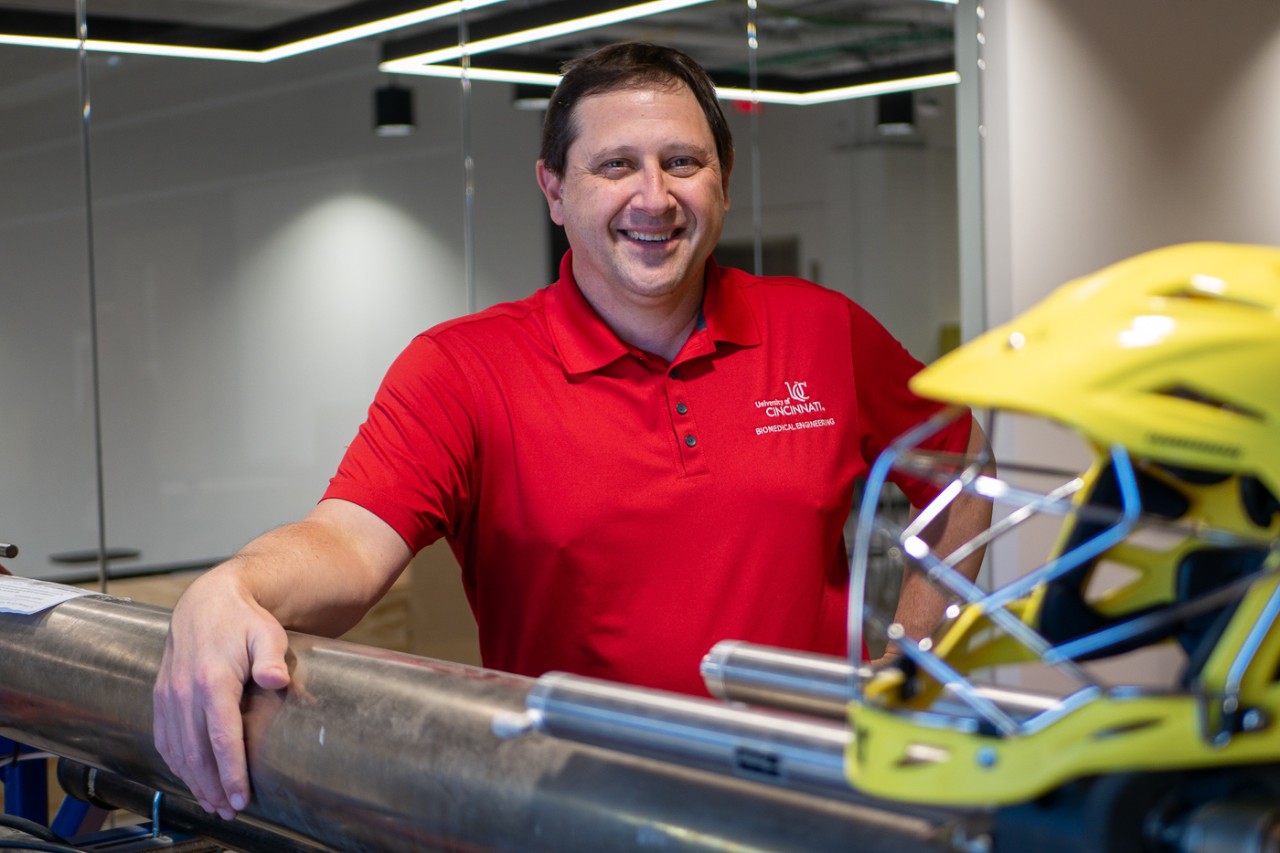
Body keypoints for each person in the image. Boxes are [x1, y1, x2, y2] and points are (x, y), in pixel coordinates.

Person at [153, 41, 992, 820]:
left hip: (810, 799)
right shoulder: (463, 368)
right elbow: (345, 544)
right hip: (571, 810)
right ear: (555, 189)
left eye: (683, 163)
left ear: (723, 183)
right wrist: (237, 585)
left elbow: (965, 467)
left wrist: (909, 661)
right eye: (615, 165)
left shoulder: (823, 331)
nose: (653, 198)